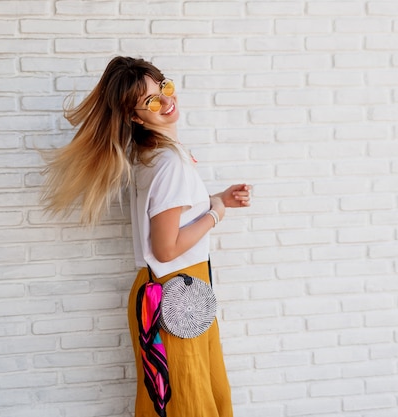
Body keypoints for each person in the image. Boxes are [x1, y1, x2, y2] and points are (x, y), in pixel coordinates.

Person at [41, 56, 251, 417]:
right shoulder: (170, 164)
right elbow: (166, 248)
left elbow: (170, 218)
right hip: (176, 296)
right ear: (135, 117)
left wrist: (216, 199)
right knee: (189, 402)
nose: (167, 101)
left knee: (179, 397)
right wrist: (217, 213)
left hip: (163, 293)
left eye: (164, 88)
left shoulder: (150, 155)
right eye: (151, 100)